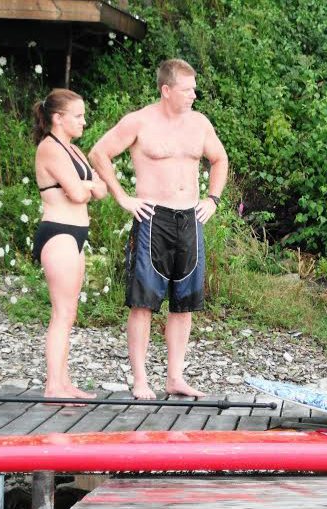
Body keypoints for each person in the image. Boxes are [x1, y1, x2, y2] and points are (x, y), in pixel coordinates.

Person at [88, 59, 229, 399]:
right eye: (187, 89)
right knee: (143, 302)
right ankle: (140, 380)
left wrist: (213, 199)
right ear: (166, 90)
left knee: (184, 302)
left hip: (190, 219)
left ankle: (175, 378)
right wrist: (122, 197)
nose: (194, 95)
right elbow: (99, 153)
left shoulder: (200, 124)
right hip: (153, 218)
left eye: (194, 89)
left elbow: (220, 159)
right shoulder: (140, 121)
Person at [31, 88, 108, 401]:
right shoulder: (49, 148)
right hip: (58, 233)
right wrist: (87, 186)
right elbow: (78, 194)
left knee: (69, 312)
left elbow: (100, 190)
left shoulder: (73, 150)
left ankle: (64, 383)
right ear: (58, 118)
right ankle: (53, 386)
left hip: (76, 234)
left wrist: (86, 185)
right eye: (78, 116)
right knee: (62, 312)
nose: (83, 121)